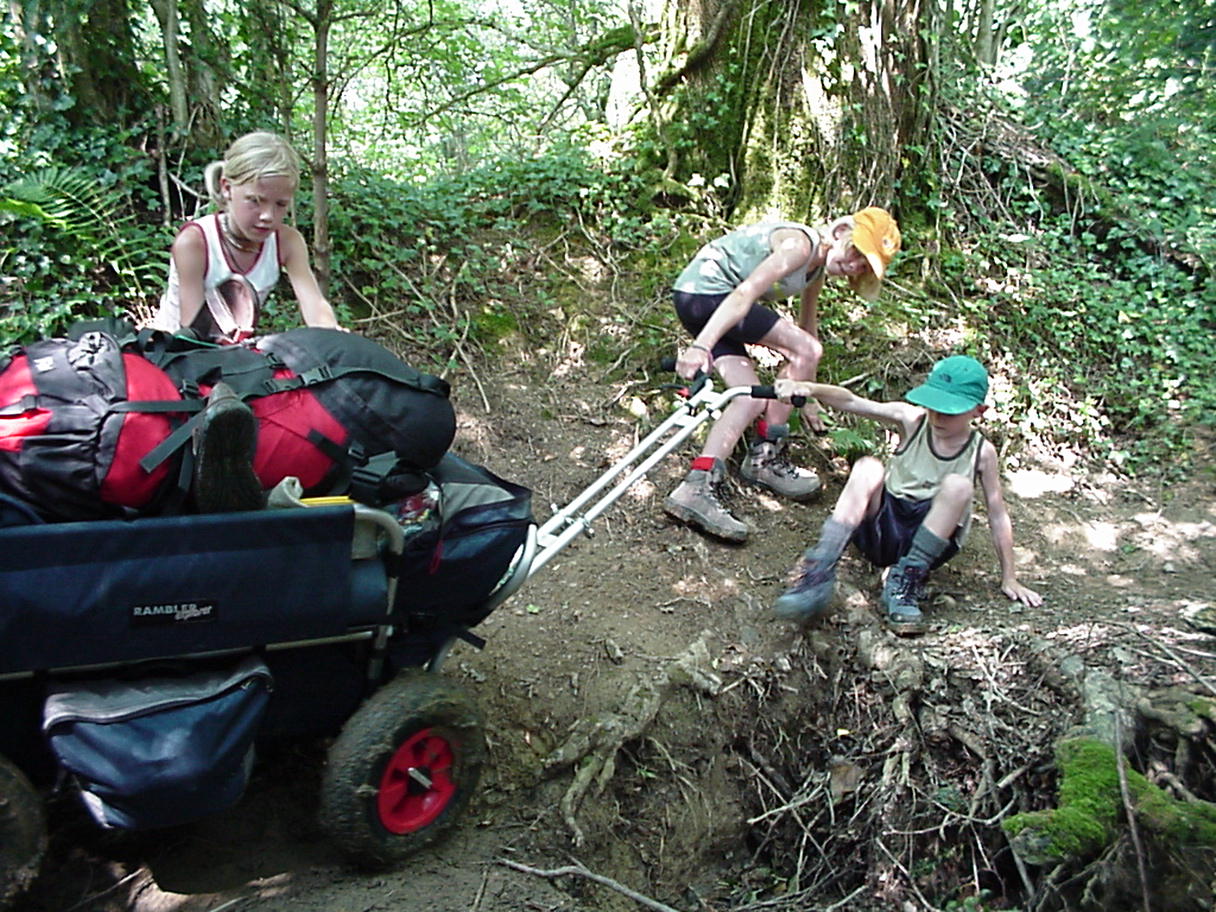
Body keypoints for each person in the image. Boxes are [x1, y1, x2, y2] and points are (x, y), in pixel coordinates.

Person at [664, 208, 902, 543]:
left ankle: (696, 486)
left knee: (746, 396)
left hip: (706, 301)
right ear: (841, 232)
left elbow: (807, 329)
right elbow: (745, 293)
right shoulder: (799, 246)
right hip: (708, 295)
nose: (853, 266)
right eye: (856, 252)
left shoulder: (814, 271)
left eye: (863, 266)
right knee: (806, 350)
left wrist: (810, 397)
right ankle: (765, 455)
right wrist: (700, 347)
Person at [769, 355, 1043, 635]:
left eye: (949, 412)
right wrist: (809, 388)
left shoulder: (981, 452)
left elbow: (997, 514)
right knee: (867, 467)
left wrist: (1010, 577)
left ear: (978, 411)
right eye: (934, 407)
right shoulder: (912, 419)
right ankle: (819, 571)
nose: (937, 417)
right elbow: (851, 401)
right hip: (883, 529)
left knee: (958, 486)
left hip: (931, 540)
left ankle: (905, 583)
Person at [151, 131, 341, 344]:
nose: (268, 216)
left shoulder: (287, 243)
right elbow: (192, 331)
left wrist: (335, 338)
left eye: (280, 204)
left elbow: (315, 307)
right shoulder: (195, 242)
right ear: (227, 188)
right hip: (172, 351)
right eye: (255, 201)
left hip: (234, 350)